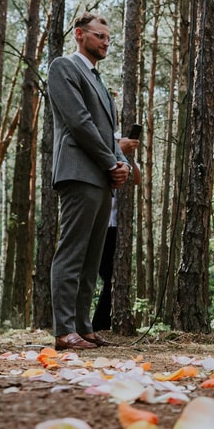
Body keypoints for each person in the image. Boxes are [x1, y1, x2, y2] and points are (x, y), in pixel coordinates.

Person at [47, 12, 136, 350]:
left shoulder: (99, 81)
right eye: (99, 35)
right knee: (72, 251)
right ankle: (63, 330)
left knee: (92, 257)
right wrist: (111, 160)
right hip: (78, 171)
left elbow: (109, 133)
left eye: (108, 37)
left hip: (102, 176)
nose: (105, 41)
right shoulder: (63, 67)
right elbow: (80, 123)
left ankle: (83, 326)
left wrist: (123, 162)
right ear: (79, 34)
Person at [92, 140, 141, 332]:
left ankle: (99, 324)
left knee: (112, 275)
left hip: (116, 226)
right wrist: (117, 149)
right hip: (97, 220)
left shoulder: (122, 143)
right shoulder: (104, 140)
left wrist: (127, 157)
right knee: (99, 273)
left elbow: (136, 179)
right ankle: (91, 324)